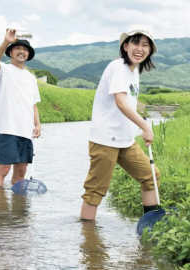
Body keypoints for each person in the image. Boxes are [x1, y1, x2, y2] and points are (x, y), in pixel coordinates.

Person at [80, 28, 160, 221]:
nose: (139, 49)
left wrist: (140, 125)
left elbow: (128, 105)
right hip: (105, 139)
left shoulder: (134, 72)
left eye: (145, 45)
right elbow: (121, 103)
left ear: (149, 50)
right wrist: (145, 126)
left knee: (151, 176)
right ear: (125, 46)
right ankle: (88, 241)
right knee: (95, 191)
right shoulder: (117, 67)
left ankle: (149, 225)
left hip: (125, 140)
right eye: (135, 43)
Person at [0, 29, 41, 187]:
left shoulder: (31, 78)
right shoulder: (3, 70)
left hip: (25, 130)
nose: (22, 52)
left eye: (25, 50)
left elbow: (33, 104)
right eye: (18, 48)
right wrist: (6, 41)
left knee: (21, 172)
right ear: (10, 52)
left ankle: (18, 208)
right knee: (4, 168)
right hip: (7, 127)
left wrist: (37, 124)